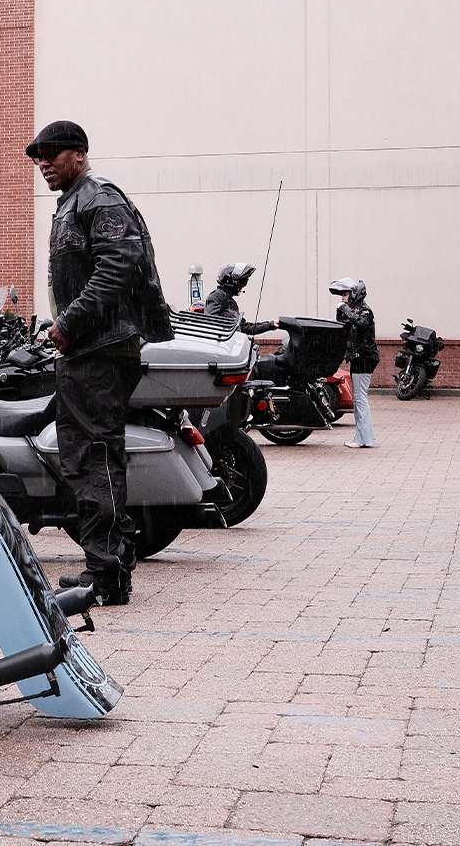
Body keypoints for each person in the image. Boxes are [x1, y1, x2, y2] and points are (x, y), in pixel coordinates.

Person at [28, 121, 172, 606]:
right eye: (37, 157)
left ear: (80, 154)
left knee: (94, 458)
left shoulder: (98, 199)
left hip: (99, 349)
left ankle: (105, 574)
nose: (43, 162)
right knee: (88, 457)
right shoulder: (74, 201)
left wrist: (67, 325)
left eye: (52, 153)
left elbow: (118, 269)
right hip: (90, 348)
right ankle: (107, 564)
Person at [330, 278, 378, 449]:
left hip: (365, 359)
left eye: (345, 294)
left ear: (355, 294)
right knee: (359, 399)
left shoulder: (365, 311)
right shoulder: (355, 311)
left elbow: (361, 323)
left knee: (359, 399)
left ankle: (363, 439)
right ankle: (366, 437)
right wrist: (342, 312)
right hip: (358, 359)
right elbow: (342, 325)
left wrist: (346, 310)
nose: (343, 298)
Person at [203, 264, 279, 335]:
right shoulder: (217, 296)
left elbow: (244, 327)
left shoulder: (230, 302)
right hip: (223, 346)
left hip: (232, 345)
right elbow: (210, 323)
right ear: (232, 281)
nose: (243, 285)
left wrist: (271, 324)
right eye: (242, 282)